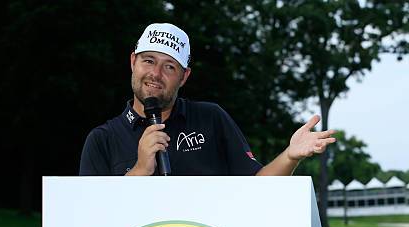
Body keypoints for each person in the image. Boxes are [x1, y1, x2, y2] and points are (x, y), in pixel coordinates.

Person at [79, 23, 336, 176]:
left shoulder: (211, 119)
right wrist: (139, 170)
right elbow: (89, 220)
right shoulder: (102, 140)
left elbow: (258, 187)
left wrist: (291, 156)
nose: (156, 74)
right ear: (133, 61)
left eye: (170, 67)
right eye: (149, 61)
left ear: (184, 77)